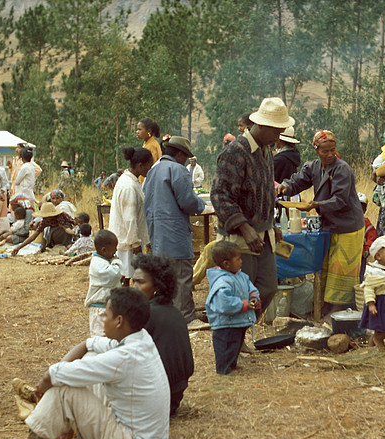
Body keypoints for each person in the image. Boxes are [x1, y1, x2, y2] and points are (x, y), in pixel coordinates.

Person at [20, 287, 169, 439]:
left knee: (63, 393)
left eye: (105, 314)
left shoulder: (124, 357)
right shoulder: (140, 337)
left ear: (119, 321)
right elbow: (90, 344)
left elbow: (53, 375)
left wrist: (41, 390)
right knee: (90, 356)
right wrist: (56, 375)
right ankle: (64, 430)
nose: (100, 316)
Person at [212, 98, 293, 320]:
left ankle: (243, 329)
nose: (278, 138)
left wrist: (273, 225)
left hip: (264, 233)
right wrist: (244, 227)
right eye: (276, 132)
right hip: (239, 238)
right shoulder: (236, 151)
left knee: (267, 287)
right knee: (240, 292)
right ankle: (235, 337)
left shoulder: (266, 152)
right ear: (263, 126)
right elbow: (220, 195)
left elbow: (265, 192)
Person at [276, 129, 365, 313]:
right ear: (316, 150)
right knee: (327, 267)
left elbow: (339, 200)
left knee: (341, 268)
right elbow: (297, 182)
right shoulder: (313, 167)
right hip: (330, 226)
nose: (330, 154)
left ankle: (338, 310)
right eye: (325, 151)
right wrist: (285, 187)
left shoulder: (342, 169)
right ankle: (325, 306)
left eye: (333, 150)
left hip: (348, 226)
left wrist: (316, 205)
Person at [143, 136, 206, 326]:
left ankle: (169, 316)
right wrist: (201, 205)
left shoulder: (153, 171)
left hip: (157, 232)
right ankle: (186, 317)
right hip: (174, 232)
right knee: (182, 276)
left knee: (165, 277)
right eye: (185, 157)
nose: (185, 161)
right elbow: (188, 201)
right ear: (179, 154)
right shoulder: (177, 170)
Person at [131, 254, 194, 417]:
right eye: (133, 281)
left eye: (140, 282)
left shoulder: (145, 315)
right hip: (174, 396)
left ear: (157, 286)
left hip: (156, 398)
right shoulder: (174, 312)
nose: (134, 286)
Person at [205, 241, 260, 375]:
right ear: (226, 264)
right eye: (238, 259)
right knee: (225, 347)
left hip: (237, 322)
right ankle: (224, 370)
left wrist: (254, 297)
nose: (241, 261)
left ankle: (232, 365)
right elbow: (225, 304)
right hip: (225, 324)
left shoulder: (241, 276)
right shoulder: (222, 282)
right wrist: (245, 305)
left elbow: (251, 288)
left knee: (235, 345)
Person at [109, 147, 153, 285]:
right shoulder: (128, 186)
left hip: (128, 239)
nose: (150, 169)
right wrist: (135, 242)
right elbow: (129, 218)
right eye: (149, 166)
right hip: (127, 241)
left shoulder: (131, 181)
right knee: (127, 275)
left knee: (128, 274)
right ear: (140, 166)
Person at [84, 229, 122, 336]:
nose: (116, 251)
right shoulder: (97, 264)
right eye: (114, 248)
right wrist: (117, 261)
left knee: (110, 336)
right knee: (99, 337)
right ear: (104, 250)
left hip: (107, 307)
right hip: (99, 309)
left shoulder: (104, 261)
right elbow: (114, 274)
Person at [11, 202, 76, 255]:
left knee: (59, 230)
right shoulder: (45, 221)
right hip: (54, 233)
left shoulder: (61, 216)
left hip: (66, 232)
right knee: (52, 231)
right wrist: (18, 248)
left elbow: (73, 224)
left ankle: (64, 245)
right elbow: (33, 236)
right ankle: (55, 245)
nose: (45, 218)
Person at [358, 193, 378, 281]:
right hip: (349, 254)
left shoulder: (366, 223)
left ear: (365, 210)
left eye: (361, 208)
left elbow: (372, 237)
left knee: (359, 276)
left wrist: (367, 248)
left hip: (361, 255)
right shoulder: (347, 222)